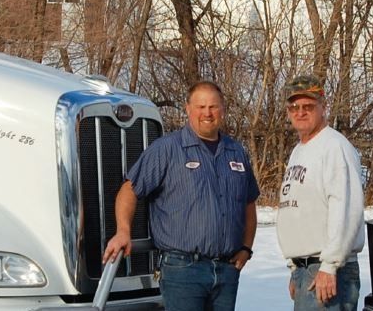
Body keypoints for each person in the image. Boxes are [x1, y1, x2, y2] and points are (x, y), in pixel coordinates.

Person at [103, 81, 259, 311]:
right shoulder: (167, 149)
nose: (207, 113)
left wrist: (246, 248)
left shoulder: (236, 151)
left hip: (227, 272)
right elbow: (130, 189)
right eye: (201, 106)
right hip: (183, 270)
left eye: (213, 107)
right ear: (188, 108)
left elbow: (248, 203)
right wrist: (123, 231)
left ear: (223, 109)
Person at [276, 75, 365, 311]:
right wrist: (295, 268)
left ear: (323, 107)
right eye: (294, 107)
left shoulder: (334, 147)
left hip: (327, 271)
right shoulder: (299, 150)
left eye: (308, 106)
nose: (300, 112)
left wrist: (329, 266)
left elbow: (346, 210)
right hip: (307, 269)